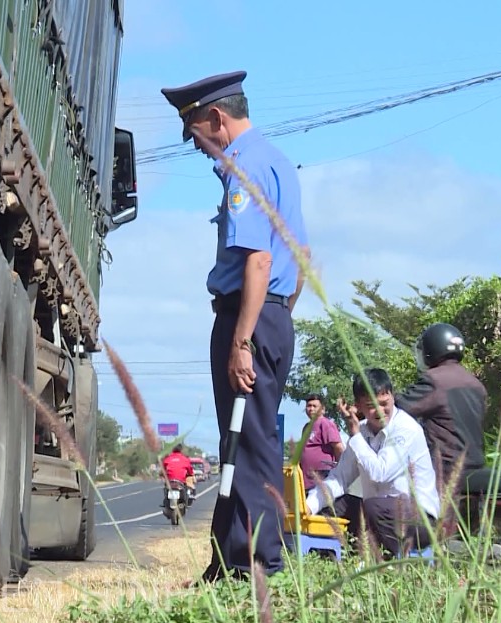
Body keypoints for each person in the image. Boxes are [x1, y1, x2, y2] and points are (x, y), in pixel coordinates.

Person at [160, 70, 308, 582]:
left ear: (216, 118)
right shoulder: (278, 160)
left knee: (246, 444)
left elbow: (259, 261)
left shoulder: (244, 167)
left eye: (197, 134)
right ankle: (231, 557)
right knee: (248, 439)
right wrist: (276, 319)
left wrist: (244, 338)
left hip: (249, 316)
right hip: (270, 315)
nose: (198, 148)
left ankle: (259, 564)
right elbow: (302, 254)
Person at [307, 368, 440, 559]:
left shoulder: (406, 429)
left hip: (420, 521)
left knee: (374, 506)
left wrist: (355, 436)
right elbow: (339, 479)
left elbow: (380, 472)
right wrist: (309, 506)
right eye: (371, 406)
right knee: (332, 504)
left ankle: (389, 561)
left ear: (392, 397)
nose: (380, 411)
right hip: (379, 513)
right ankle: (342, 554)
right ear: (358, 406)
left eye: (384, 404)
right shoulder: (361, 432)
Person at [394, 323, 488, 495]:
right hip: (476, 465)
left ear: (430, 349)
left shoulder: (434, 380)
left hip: (445, 469)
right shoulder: (477, 385)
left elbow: (400, 408)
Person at [298, 393, 344, 492]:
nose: (311, 409)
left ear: (322, 409)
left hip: (323, 478)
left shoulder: (325, 424)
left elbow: (338, 447)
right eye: (308, 406)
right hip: (307, 481)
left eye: (314, 406)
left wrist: (339, 470)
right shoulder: (306, 427)